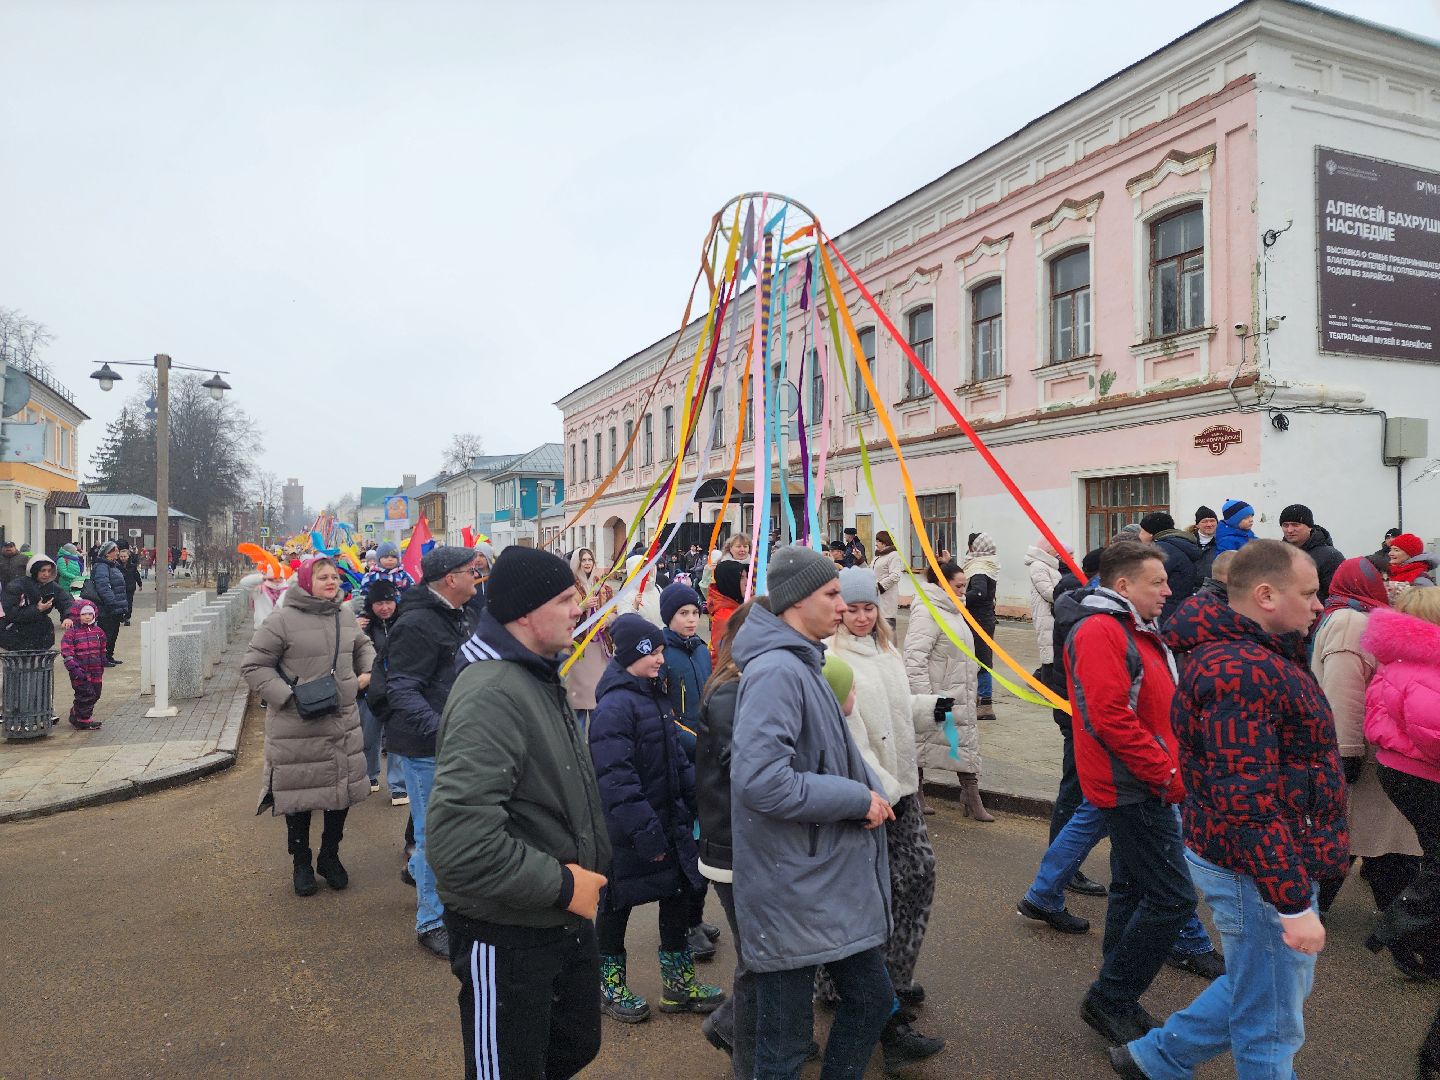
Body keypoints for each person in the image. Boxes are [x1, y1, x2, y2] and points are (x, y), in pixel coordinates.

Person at [1113, 539, 1347, 1080]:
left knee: (1267, 987)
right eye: (1309, 593)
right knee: (1271, 1024)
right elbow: (1245, 799)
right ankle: (1160, 1057)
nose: (1319, 606)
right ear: (1266, 595)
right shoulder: (1239, 670)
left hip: (1264, 859)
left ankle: (1158, 1057)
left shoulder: (1259, 652)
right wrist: (1291, 901)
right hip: (1256, 868)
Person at [429, 546, 611, 1080]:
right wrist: (563, 884)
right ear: (526, 614)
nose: (579, 608)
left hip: (555, 919)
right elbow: (460, 846)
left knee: (571, 1047)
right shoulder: (492, 692)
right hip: (507, 931)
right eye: (565, 599)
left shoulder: (533, 673)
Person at [730, 545, 896, 1080]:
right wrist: (855, 800)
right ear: (798, 601)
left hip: (819, 876)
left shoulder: (804, 661)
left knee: (871, 999)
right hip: (793, 882)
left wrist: (871, 790)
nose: (843, 607)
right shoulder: (778, 671)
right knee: (783, 1045)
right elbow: (762, 780)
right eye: (832, 595)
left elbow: (830, 753)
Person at [1066, 541, 1197, 1048]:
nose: (1167, 590)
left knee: (1134, 889)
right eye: (1156, 582)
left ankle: (1116, 993)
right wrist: (1166, 772)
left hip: (1142, 780)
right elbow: (1109, 717)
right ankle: (1110, 997)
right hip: (1133, 785)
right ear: (1123, 586)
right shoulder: (1101, 630)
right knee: (1173, 898)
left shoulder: (1133, 627)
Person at [823, 566, 947, 1069]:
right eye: (851, 609)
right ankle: (879, 996)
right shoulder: (833, 659)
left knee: (915, 878)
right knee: (880, 894)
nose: (860, 617)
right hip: (875, 797)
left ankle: (882, 979)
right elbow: (851, 740)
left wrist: (930, 708)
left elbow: (894, 712)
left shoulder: (886, 651)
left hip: (903, 789)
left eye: (868, 608)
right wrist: (883, 792)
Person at [588, 613, 725, 1022]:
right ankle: (609, 985)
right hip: (631, 830)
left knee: (677, 896)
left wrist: (699, 798)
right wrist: (645, 831)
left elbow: (676, 759)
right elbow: (616, 780)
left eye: (663, 651)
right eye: (655, 652)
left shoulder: (653, 695)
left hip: (669, 819)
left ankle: (678, 986)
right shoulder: (614, 707)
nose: (662, 659)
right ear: (633, 654)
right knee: (617, 904)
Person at [242, 557, 374, 897]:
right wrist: (288, 697)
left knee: (340, 792)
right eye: (322, 577)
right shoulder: (282, 619)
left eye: (334, 576)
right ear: (305, 581)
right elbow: (254, 666)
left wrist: (366, 674)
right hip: (297, 723)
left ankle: (330, 856)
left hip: (341, 720)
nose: (331, 581)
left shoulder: (344, 614)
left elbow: (363, 646)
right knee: (299, 795)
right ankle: (301, 862)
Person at [1310, 558, 1421, 915]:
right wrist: (1347, 752)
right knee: (1364, 838)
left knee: (1363, 839)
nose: (1386, 583)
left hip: (1362, 748)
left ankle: (1311, 909)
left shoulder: (1349, 615)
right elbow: (1344, 691)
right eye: (1379, 577)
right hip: (1360, 752)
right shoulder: (1350, 622)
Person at [386, 545, 480, 956]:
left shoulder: (462, 614)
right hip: (426, 746)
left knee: (453, 827)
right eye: (471, 570)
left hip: (458, 740)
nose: (477, 575)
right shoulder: (417, 623)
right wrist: (442, 729)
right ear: (449, 579)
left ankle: (419, 873)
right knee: (433, 833)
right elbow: (401, 689)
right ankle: (431, 922)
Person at [1362, 589, 1440, 1076]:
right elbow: (1435, 734)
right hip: (1423, 773)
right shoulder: (1428, 665)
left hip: (1402, 768)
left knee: (1432, 855)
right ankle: (1399, 922)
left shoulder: (1400, 659)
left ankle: (1409, 926)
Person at [694, 598, 766, 1073]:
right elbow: (752, 773)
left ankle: (744, 1030)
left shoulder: (750, 688)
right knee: (758, 958)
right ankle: (735, 1035)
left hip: (748, 846)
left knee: (763, 954)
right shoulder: (729, 696)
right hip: (732, 851)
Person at [657, 581, 721, 959]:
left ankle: (695, 916)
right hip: (683, 760)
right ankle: (684, 924)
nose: (691, 619)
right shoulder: (663, 656)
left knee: (705, 840)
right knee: (689, 845)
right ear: (669, 616)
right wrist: (697, 742)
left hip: (706, 755)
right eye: (683, 613)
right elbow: (664, 713)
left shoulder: (700, 650)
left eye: (695, 612)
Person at [904, 559, 988, 821]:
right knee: (922, 742)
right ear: (942, 584)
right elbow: (914, 657)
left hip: (960, 692)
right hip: (937, 692)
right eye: (959, 586)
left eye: (965, 585)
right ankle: (915, 794)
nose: (964, 591)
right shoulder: (927, 610)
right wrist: (925, 698)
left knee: (963, 742)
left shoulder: (954, 609)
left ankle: (970, 796)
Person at [355, 579, 404, 801]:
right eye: (379, 603)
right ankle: (370, 775)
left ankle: (398, 785)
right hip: (369, 690)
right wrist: (353, 630)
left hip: (398, 688)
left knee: (397, 738)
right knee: (368, 736)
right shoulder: (361, 625)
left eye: (388, 602)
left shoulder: (405, 621)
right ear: (371, 604)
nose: (384, 607)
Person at [565, 547, 611, 737]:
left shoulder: (602, 585)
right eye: (583, 560)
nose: (587, 563)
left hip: (599, 649)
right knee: (579, 700)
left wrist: (608, 620)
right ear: (577, 563)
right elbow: (564, 614)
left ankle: (597, 739)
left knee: (597, 698)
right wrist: (582, 607)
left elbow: (613, 609)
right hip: (579, 650)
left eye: (589, 559)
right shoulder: (569, 587)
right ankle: (577, 741)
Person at [1139, 512, 1205, 624]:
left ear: (1150, 533)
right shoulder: (1179, 544)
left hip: (1166, 609)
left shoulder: (1161, 549)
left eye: (1141, 531)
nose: (1139, 535)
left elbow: (1148, 579)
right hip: (1181, 607)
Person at [963, 532, 1000, 719]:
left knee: (981, 660)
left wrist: (959, 599)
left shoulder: (979, 568)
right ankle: (980, 700)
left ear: (974, 547)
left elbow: (979, 592)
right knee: (981, 659)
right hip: (984, 618)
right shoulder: (987, 563)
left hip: (978, 620)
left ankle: (985, 704)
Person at [1278, 503, 1344, 600]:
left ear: (1309, 527)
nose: (1290, 530)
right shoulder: (1277, 554)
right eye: (1285, 525)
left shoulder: (1331, 557)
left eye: (1295, 525)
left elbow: (1338, 596)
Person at [60, 599, 108, 730]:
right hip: (79, 670)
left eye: (90, 614)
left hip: (96, 669)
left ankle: (77, 712)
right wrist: (73, 666)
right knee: (85, 694)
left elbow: (103, 647)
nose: (87, 617)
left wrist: (103, 659)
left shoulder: (98, 632)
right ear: (77, 615)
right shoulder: (72, 633)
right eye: (83, 614)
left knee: (96, 693)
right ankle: (83, 719)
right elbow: (67, 651)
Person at [89, 541, 131, 667]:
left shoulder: (113, 565)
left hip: (115, 607)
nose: (118, 553)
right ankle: (103, 658)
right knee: (106, 633)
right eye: (115, 550)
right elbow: (103, 586)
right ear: (107, 553)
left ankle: (109, 656)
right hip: (107, 608)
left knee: (113, 633)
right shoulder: (102, 566)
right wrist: (112, 602)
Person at [705, 559, 746, 663]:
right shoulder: (725, 617)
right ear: (730, 581)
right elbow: (727, 657)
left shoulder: (737, 606)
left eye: (747, 577)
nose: (747, 582)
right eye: (741, 578)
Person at [871, 531, 903, 631]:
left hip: (887, 599)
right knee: (877, 633)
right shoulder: (878, 556)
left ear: (884, 542)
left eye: (878, 541)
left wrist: (879, 587)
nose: (876, 544)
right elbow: (871, 572)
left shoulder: (894, 555)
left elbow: (895, 575)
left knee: (888, 631)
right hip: (876, 599)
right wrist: (860, 560)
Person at [118, 539, 143, 623]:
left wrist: (140, 584)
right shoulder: (117, 566)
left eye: (124, 556)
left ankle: (127, 617)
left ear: (128, 556)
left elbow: (136, 575)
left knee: (129, 603)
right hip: (120, 587)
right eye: (121, 556)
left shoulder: (132, 566)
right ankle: (121, 615)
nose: (123, 558)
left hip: (130, 587)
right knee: (120, 603)